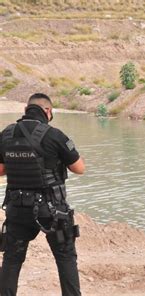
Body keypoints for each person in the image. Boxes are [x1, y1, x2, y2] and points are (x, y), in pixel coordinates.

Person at [0, 93, 85, 296]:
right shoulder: (54, 135)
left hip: (17, 209)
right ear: (48, 111)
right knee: (65, 257)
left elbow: (1, 170)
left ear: (26, 110)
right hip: (52, 212)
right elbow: (79, 168)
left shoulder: (6, 134)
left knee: (12, 259)